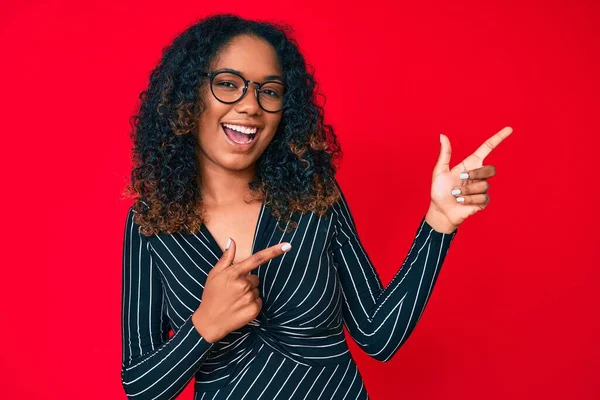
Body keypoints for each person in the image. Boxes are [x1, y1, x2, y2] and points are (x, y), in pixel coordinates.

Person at [120, 13, 513, 400]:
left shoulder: (313, 197)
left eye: (269, 91)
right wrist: (204, 326)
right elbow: (140, 388)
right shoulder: (151, 224)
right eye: (228, 84)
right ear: (188, 97)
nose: (251, 106)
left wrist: (439, 222)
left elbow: (379, 336)